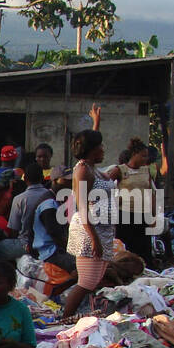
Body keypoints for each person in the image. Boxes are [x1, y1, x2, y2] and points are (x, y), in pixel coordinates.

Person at [61, 129, 117, 318]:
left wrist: (96, 122)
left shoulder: (93, 168)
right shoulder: (83, 170)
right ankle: (65, 317)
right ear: (92, 149)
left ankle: (76, 315)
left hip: (102, 230)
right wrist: (95, 239)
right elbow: (83, 207)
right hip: (89, 232)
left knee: (93, 282)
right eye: (100, 146)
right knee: (86, 282)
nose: (103, 149)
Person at [104, 137, 168, 264]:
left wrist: (154, 215)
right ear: (134, 155)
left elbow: (151, 193)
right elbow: (103, 187)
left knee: (144, 248)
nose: (146, 159)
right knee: (126, 249)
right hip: (125, 215)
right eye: (143, 156)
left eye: (146, 156)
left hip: (143, 215)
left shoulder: (146, 171)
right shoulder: (120, 170)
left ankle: (144, 272)